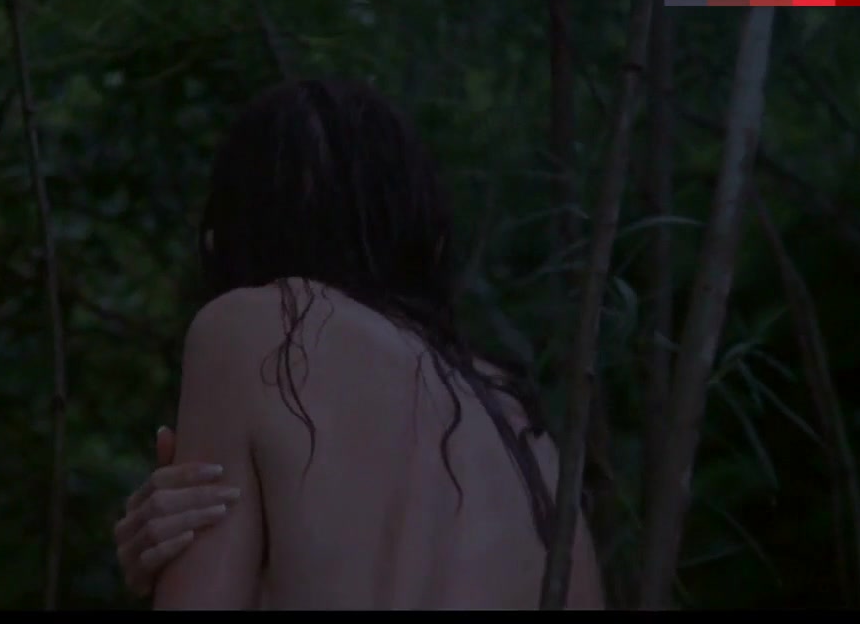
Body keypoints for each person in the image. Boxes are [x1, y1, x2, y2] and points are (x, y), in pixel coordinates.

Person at [111, 79, 604, 609]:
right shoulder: (524, 431)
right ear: (425, 233)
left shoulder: (252, 328)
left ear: (228, 233)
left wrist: (173, 571)